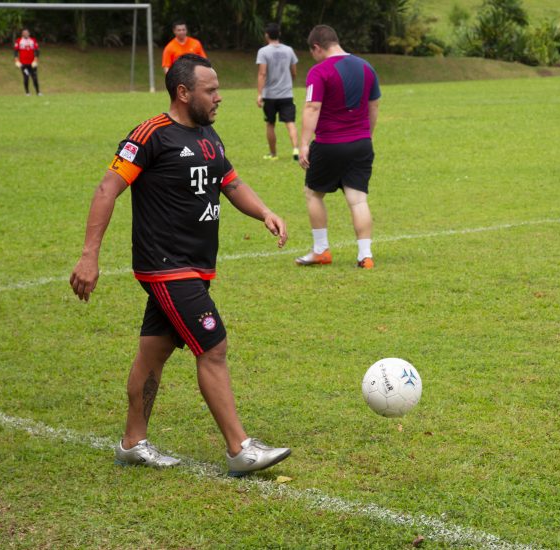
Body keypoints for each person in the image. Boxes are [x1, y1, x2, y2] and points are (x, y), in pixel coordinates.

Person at [69, 54, 291, 477]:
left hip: (194, 266)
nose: (219, 96)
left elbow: (231, 183)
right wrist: (88, 255)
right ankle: (240, 448)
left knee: (153, 352)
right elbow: (106, 189)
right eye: (211, 90)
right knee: (213, 346)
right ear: (183, 92)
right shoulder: (150, 135)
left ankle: (132, 443)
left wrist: (264, 212)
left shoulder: (209, 135)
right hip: (166, 265)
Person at [296, 25, 380, 270]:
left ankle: (321, 250)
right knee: (358, 200)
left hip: (329, 144)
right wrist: (366, 136)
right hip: (361, 144)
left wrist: (303, 143)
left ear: (317, 47)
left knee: (313, 193)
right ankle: (365, 255)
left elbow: (312, 107)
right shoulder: (366, 67)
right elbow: (374, 106)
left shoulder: (319, 71)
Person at [256, 22, 300, 161]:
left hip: (269, 95)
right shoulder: (289, 50)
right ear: (279, 34)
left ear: (267, 35)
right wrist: (288, 83)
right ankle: (295, 149)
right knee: (290, 122)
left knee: (270, 123)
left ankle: (273, 154)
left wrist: (259, 94)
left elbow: (262, 73)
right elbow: (294, 72)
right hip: (286, 94)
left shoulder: (263, 52)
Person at [14, 28, 41, 96]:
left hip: (32, 64)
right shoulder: (18, 41)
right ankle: (27, 93)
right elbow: (15, 51)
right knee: (26, 77)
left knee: (34, 77)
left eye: (27, 33)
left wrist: (35, 60)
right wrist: (16, 61)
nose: (25, 34)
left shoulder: (33, 40)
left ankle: (38, 92)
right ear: (22, 34)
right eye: (24, 33)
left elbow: (37, 51)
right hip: (24, 64)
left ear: (29, 33)